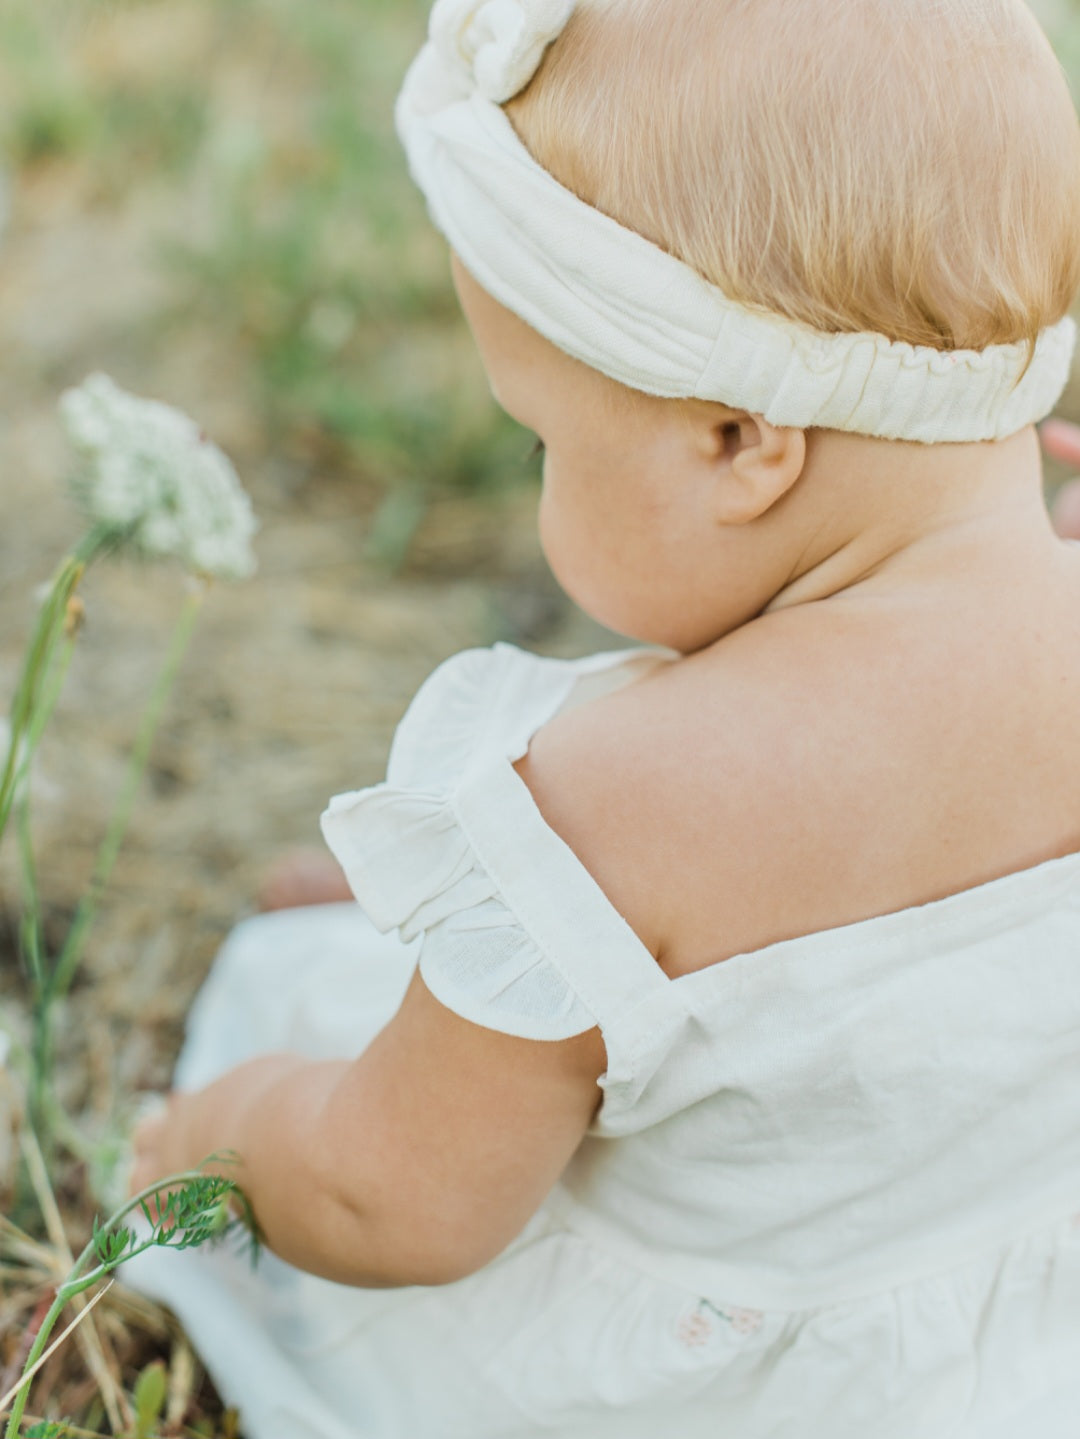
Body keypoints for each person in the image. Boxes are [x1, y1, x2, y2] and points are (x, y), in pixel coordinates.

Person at [126, 1, 1080, 1434]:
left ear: (742, 442)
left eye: (542, 439)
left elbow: (398, 1197)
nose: (533, 472)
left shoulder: (616, 800)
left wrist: (219, 1138)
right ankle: (496, 947)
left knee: (294, 1019)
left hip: (707, 1390)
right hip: (1004, 1346)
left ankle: (486, 954)